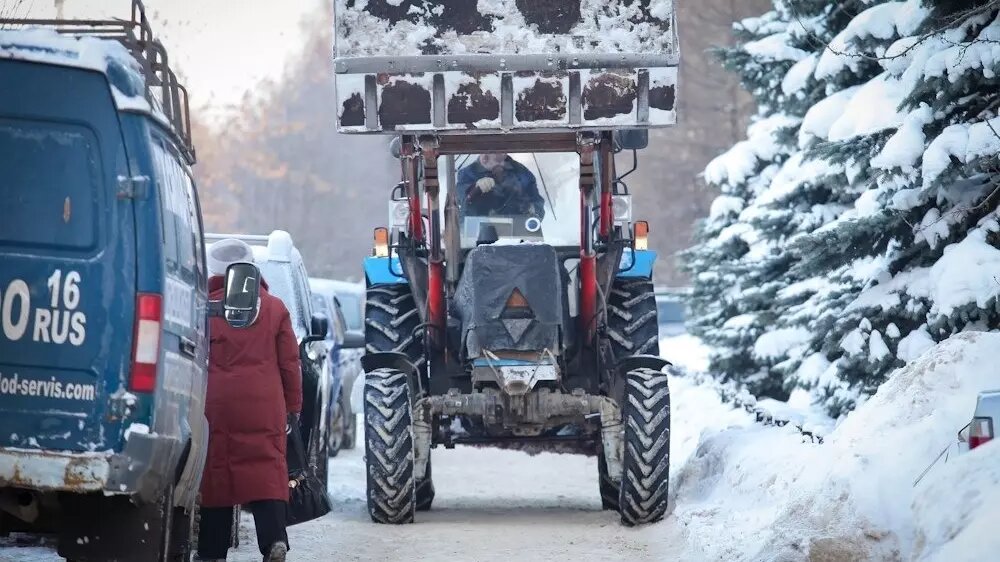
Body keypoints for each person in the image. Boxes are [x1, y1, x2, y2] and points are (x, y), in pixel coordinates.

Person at [197, 239, 302, 562]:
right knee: (266, 471)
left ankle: (212, 551)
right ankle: (273, 541)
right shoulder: (274, 308)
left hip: (215, 406)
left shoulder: (201, 307)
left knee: (218, 473)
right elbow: (290, 364)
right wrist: (293, 406)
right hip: (264, 405)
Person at [456, 153, 546, 219]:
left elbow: (538, 208)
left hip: (517, 237)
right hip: (476, 237)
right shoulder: (468, 173)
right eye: (497, 159)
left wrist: (529, 207)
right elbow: (460, 198)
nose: (484, 157)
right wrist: (474, 188)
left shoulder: (521, 173)